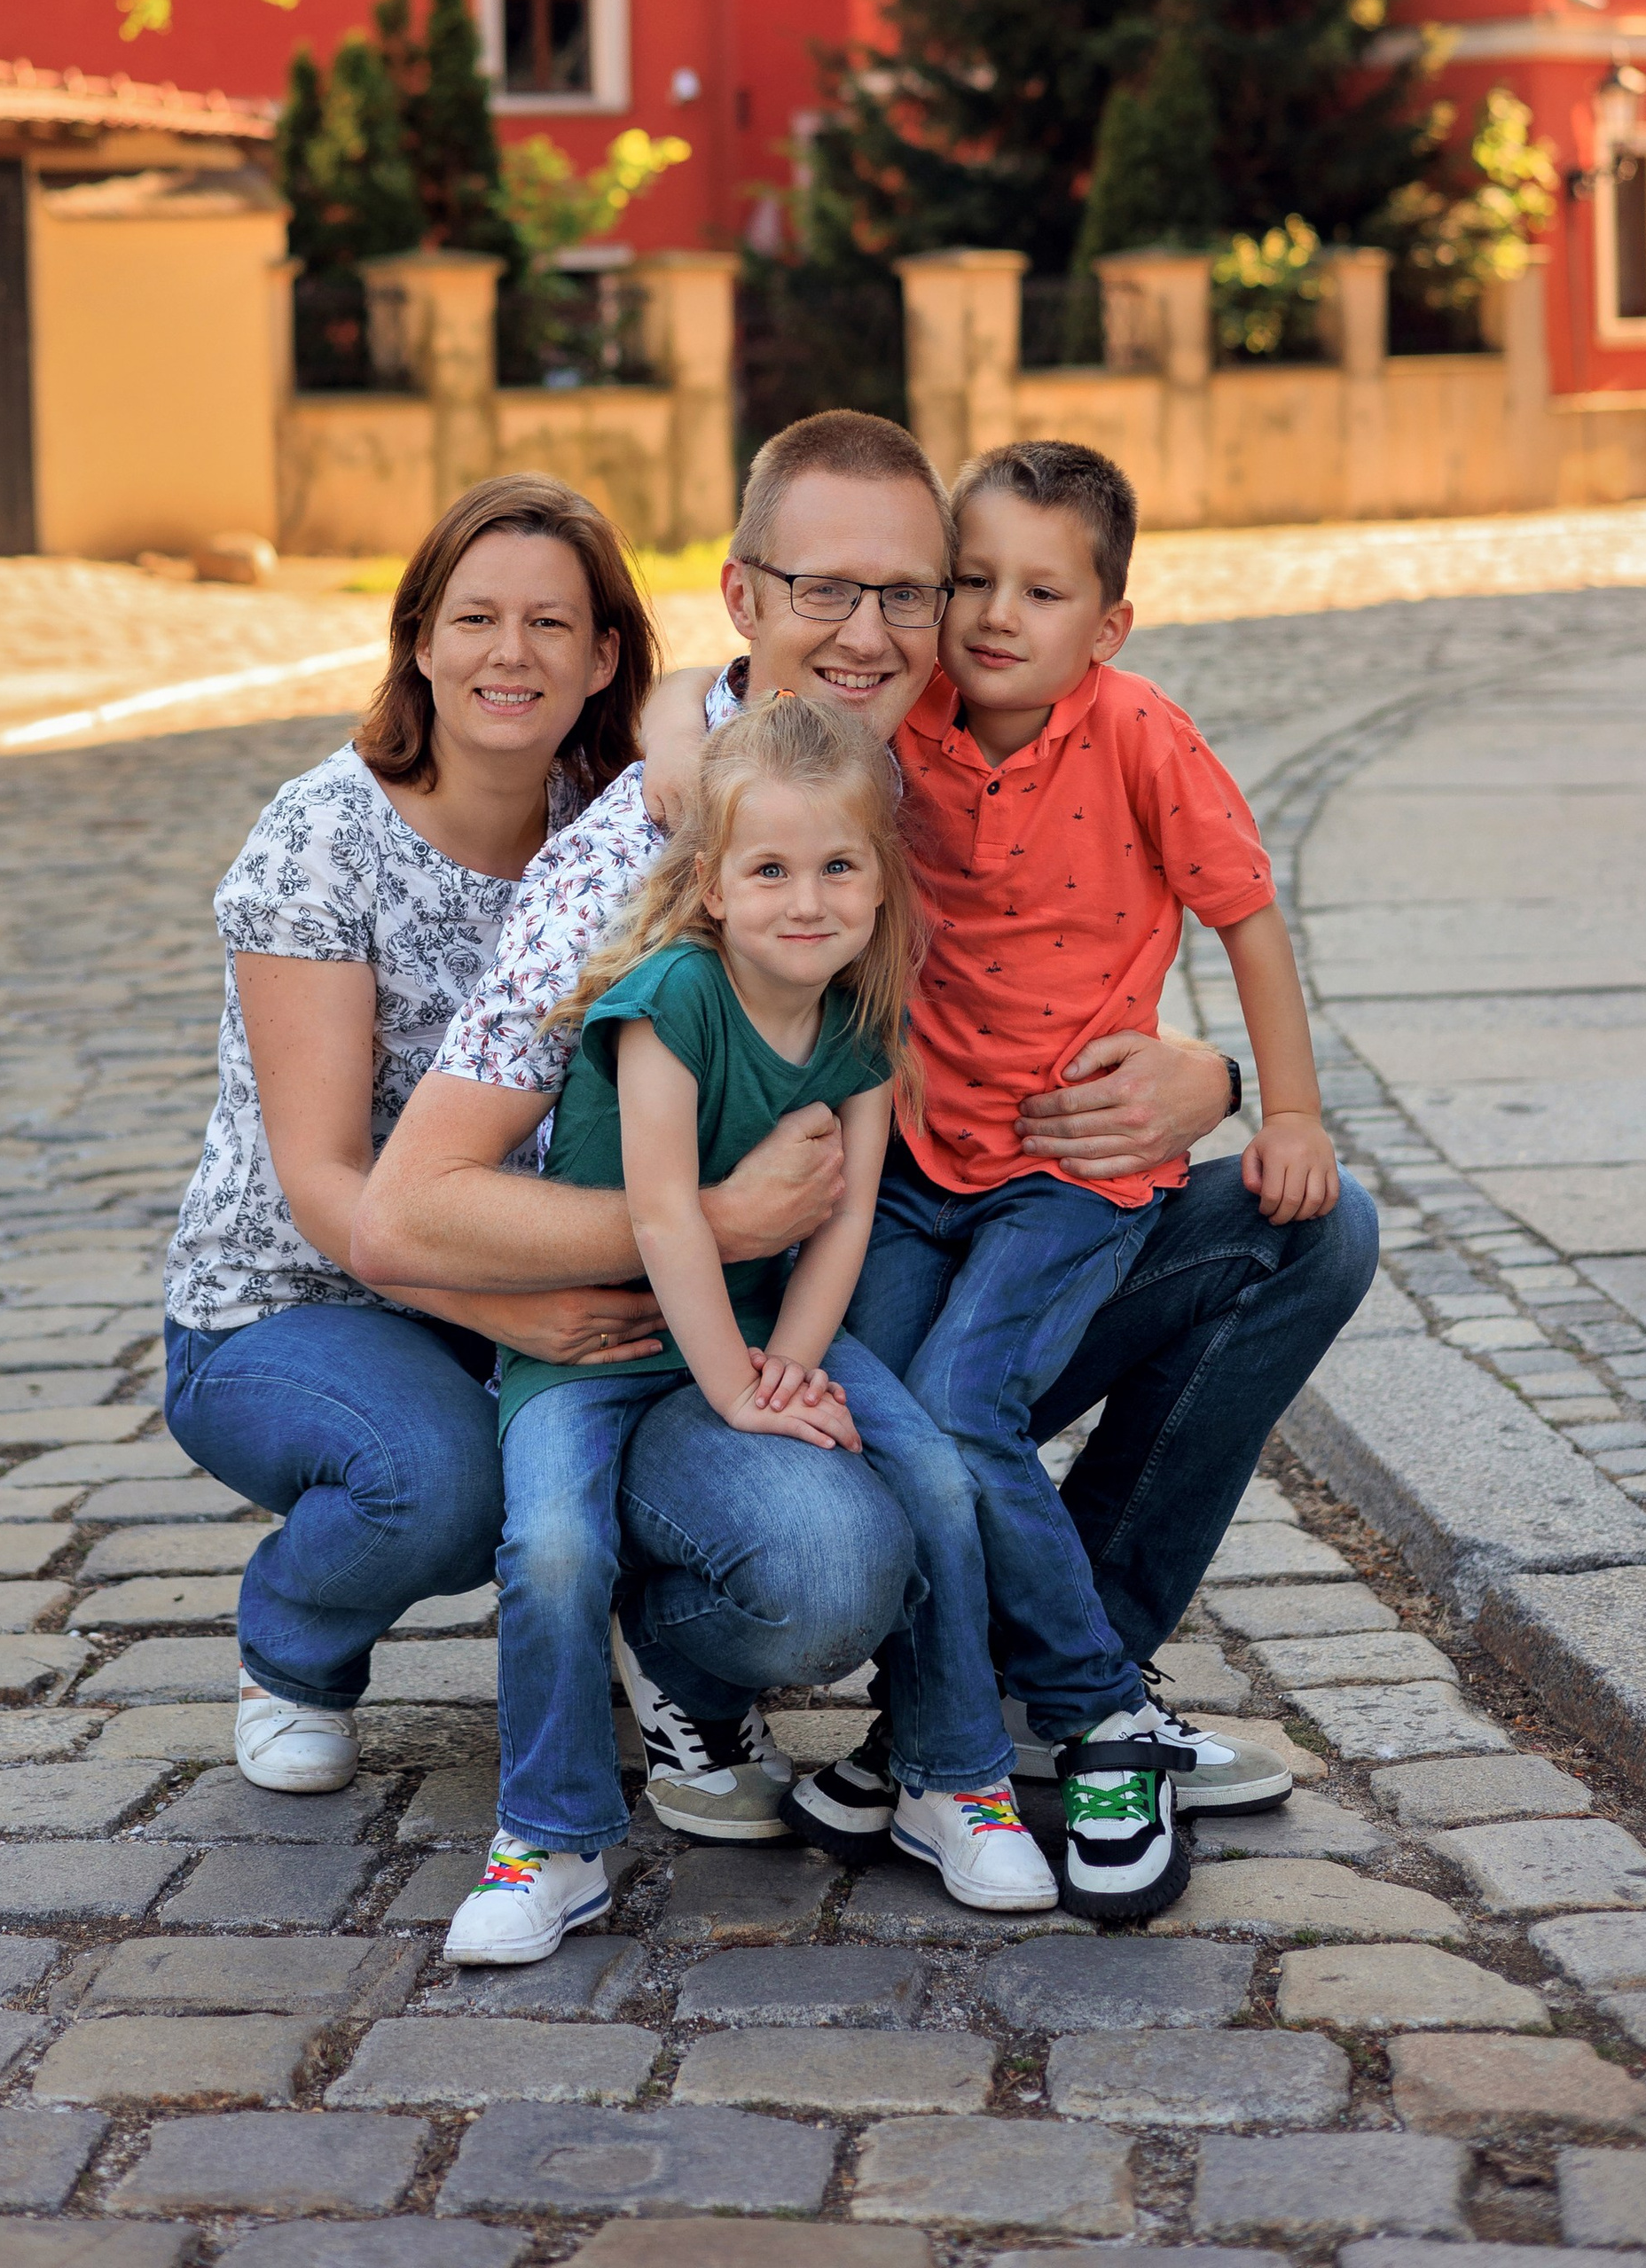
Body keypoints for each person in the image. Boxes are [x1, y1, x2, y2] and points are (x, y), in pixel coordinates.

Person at [354, 409, 1376, 1846]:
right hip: (682, 1344)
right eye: (826, 589)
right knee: (833, 1561)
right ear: (744, 594)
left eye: (908, 592)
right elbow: (405, 1210)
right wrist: (715, 1219)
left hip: (912, 1247)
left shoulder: (922, 745)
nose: (872, 630)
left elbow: (1104, 882)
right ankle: (686, 1653)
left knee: (1308, 1234)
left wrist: (1208, 1078)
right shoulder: (638, 858)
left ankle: (1055, 1686)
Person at [643, 436, 1336, 1915]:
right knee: (899, 1425)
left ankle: (1088, 1712)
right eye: (971, 582)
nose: (994, 616)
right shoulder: (908, 721)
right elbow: (731, 688)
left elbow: (1247, 910)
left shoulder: (1137, 733)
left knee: (969, 1407)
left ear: (1111, 623)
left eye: (1042, 590)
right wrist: (664, 728)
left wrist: (1276, 1106)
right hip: (906, 1174)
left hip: (1067, 1173)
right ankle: (945, 1727)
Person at [444, 699, 1058, 1966]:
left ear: (881, 884)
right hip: (597, 1345)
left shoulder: (858, 1013)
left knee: (938, 1475)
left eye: (838, 867)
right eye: (770, 870)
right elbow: (665, 1216)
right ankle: (548, 1839)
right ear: (713, 888)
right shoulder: (672, 1000)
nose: (808, 900)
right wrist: (738, 1391)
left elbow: (845, 1212)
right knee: (553, 1546)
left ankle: (956, 1776)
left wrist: (793, 1361)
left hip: (761, 1325)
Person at [162, 474, 700, 1796]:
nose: (510, 654)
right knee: (442, 1485)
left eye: (549, 624)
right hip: (298, 1296)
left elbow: (753, 707)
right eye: (474, 619)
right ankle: (293, 1645)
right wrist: (509, 1316)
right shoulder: (322, 837)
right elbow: (320, 1181)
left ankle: (658, 1645)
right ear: (417, 639)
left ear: (604, 657)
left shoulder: (622, 825)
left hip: (531, 1260)